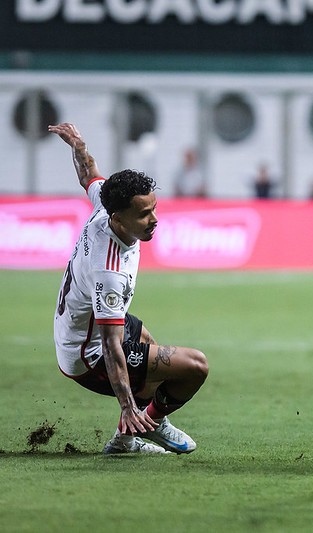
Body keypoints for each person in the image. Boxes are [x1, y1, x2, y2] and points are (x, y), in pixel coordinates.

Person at [49, 123, 209, 455]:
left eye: (154, 209)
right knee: (195, 367)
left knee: (147, 341)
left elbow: (88, 174)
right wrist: (126, 405)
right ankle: (150, 423)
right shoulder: (110, 270)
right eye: (144, 214)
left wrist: (78, 145)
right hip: (87, 354)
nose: (154, 219)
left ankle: (124, 441)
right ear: (119, 219)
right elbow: (110, 345)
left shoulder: (105, 204)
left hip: (81, 327)